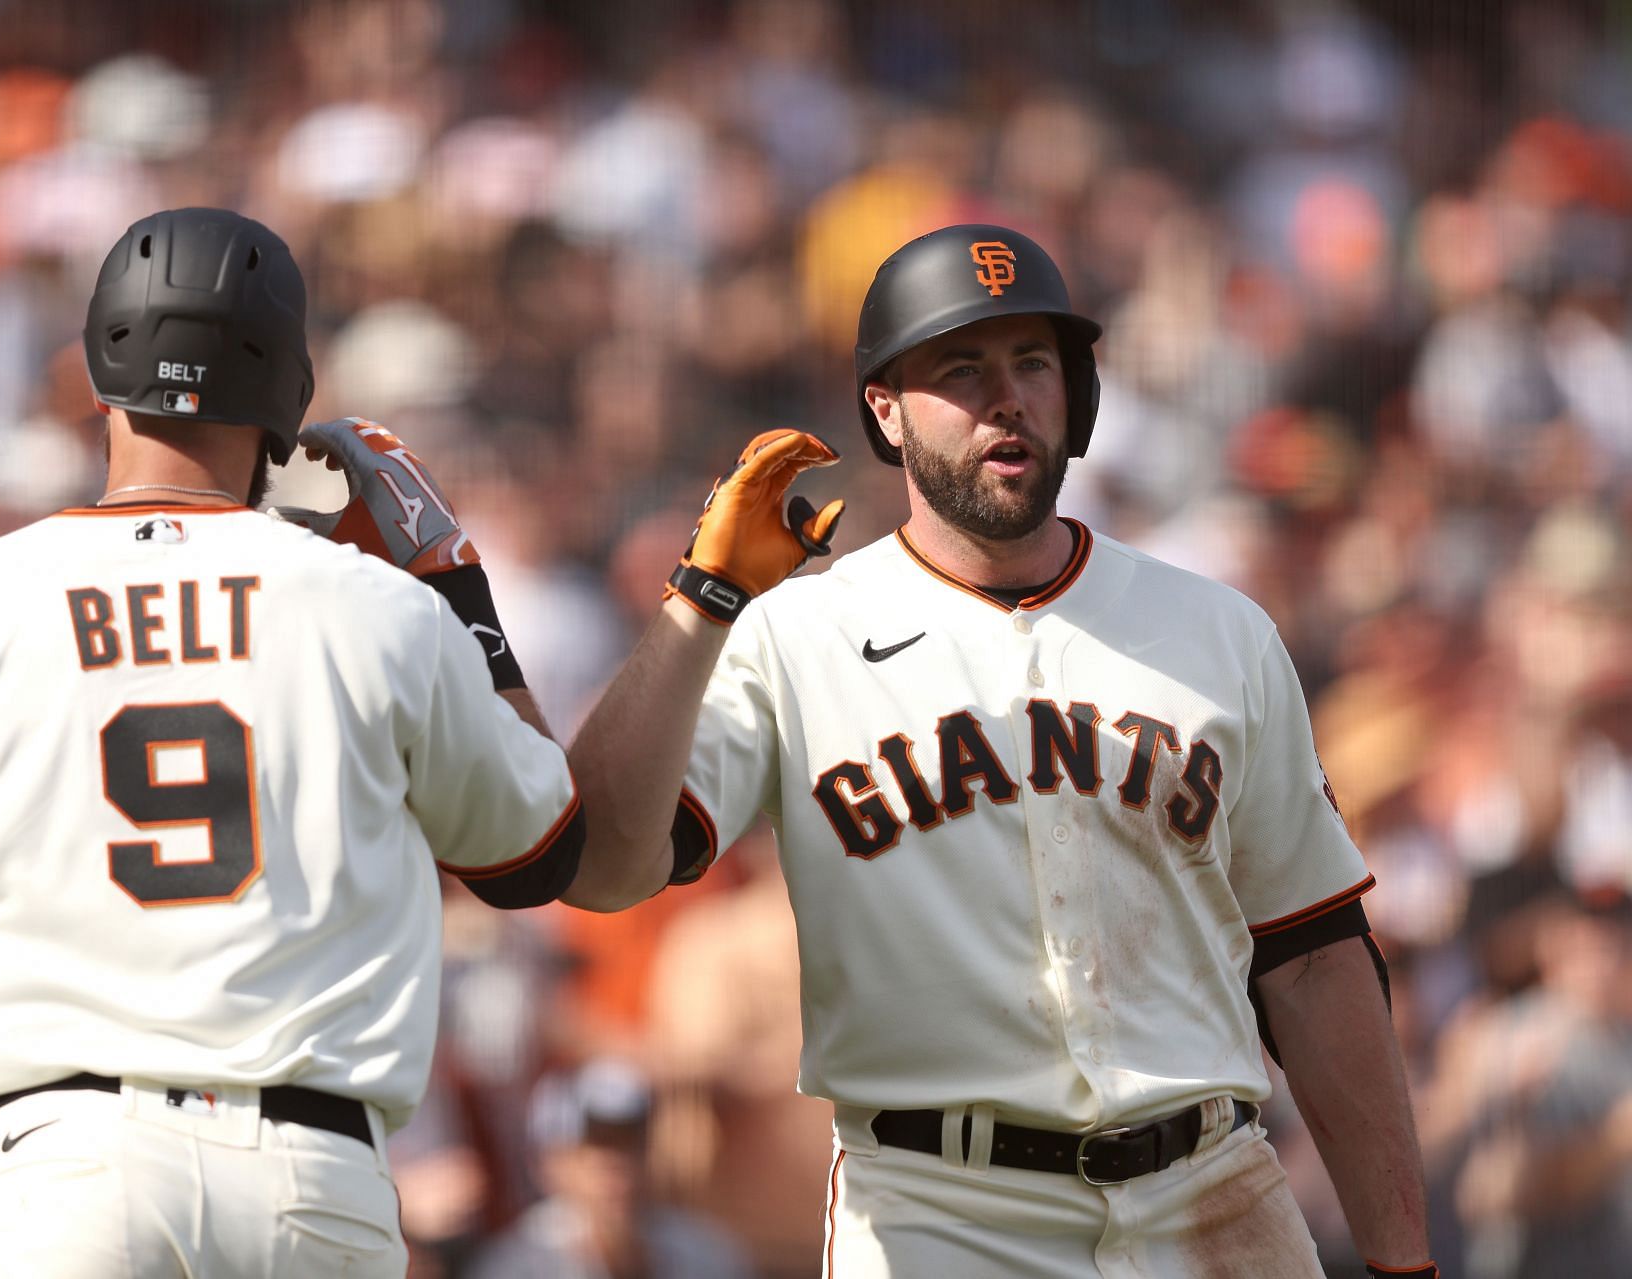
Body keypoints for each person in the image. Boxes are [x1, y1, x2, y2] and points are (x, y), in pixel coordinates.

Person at [561, 224, 1438, 1278]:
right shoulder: (792, 638)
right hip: (941, 1211)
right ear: (883, 408)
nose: (1007, 397)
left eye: (1034, 362)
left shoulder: (1219, 630)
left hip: (1214, 1194)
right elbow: (606, 861)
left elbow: (1317, 960)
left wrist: (1402, 1261)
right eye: (961, 369)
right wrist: (700, 606)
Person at [0, 207, 584, 1277]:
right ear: (288, 395)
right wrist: (455, 585)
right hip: (309, 1184)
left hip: (52, 1179)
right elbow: (545, 851)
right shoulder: (382, 610)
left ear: (100, 369)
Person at [468, 1056, 755, 1279]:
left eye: (628, 1143)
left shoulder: (706, 1256)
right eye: (593, 1147)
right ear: (550, 1163)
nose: (615, 1166)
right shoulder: (520, 1265)